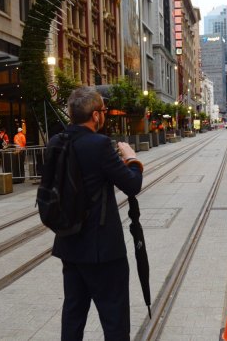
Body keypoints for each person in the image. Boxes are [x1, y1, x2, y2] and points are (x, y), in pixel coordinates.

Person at [48, 86, 143, 340]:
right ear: (96, 116)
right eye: (104, 111)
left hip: (69, 244)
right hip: (103, 251)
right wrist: (132, 159)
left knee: (73, 314)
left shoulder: (55, 142)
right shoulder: (99, 145)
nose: (105, 115)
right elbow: (132, 184)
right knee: (114, 318)